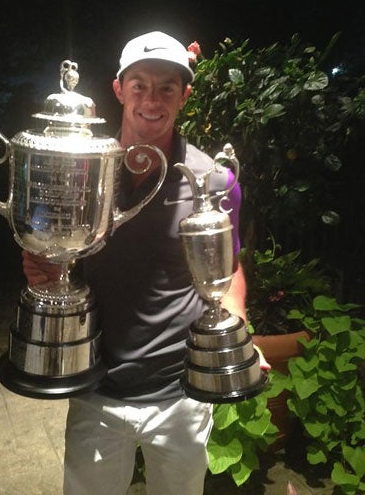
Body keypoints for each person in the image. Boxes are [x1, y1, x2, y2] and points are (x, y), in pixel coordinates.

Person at [22, 31, 270, 495]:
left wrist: (236, 328)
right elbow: (56, 252)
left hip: (181, 393)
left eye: (166, 88)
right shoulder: (80, 169)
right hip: (96, 386)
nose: (152, 101)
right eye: (139, 86)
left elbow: (230, 267)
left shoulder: (214, 180)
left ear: (185, 95)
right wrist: (47, 267)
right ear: (119, 89)